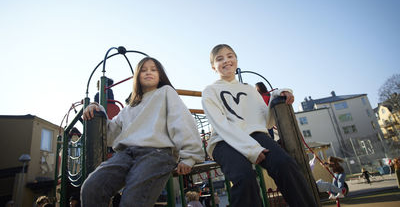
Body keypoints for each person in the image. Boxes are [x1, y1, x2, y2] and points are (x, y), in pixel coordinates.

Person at [201, 44, 318, 207]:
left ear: (236, 60)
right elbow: (221, 125)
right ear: (213, 66)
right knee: (244, 177)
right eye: (220, 59)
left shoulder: (248, 89)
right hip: (224, 140)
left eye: (230, 56)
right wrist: (251, 150)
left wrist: (277, 94)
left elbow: (266, 121)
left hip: (255, 136)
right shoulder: (210, 91)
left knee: (285, 163)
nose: (226, 61)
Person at [81, 57, 204, 207]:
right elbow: (110, 133)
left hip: (157, 153)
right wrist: (97, 108)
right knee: (92, 187)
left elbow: (181, 120)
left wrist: (189, 156)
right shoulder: (130, 107)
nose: (148, 73)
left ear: (160, 75)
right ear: (137, 76)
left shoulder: (165, 93)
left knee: (133, 200)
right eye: (143, 70)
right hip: (126, 154)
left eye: (153, 69)